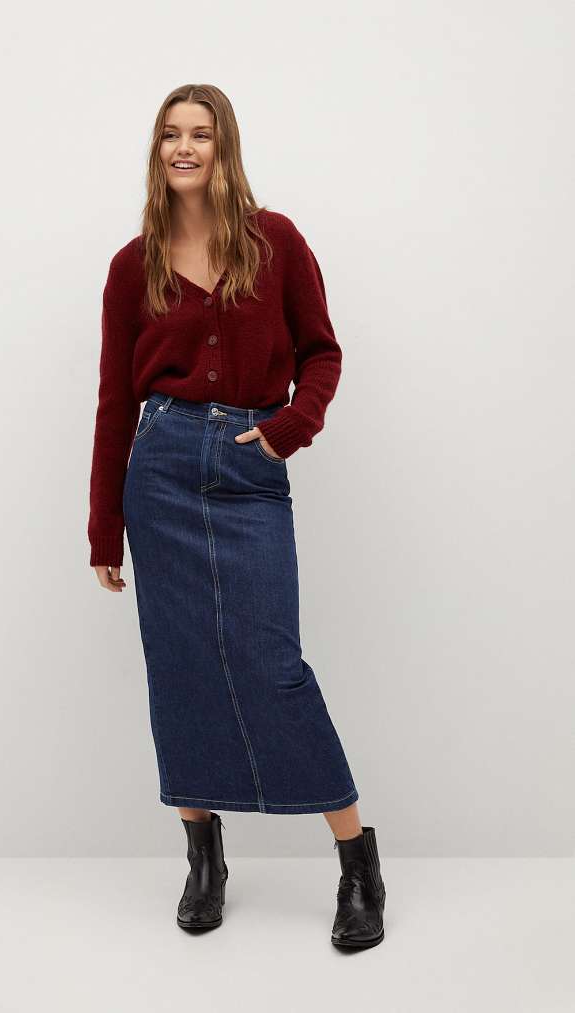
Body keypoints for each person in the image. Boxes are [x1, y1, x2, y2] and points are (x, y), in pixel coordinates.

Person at [87, 84, 386, 948]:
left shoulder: (275, 241)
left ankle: (357, 861)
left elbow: (322, 352)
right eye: (170, 135)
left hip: (251, 468)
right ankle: (204, 857)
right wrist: (105, 526)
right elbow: (114, 402)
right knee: (179, 666)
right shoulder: (132, 265)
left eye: (201, 134)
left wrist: (289, 429)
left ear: (225, 147)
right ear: (157, 151)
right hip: (161, 472)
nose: (184, 148)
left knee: (274, 665)